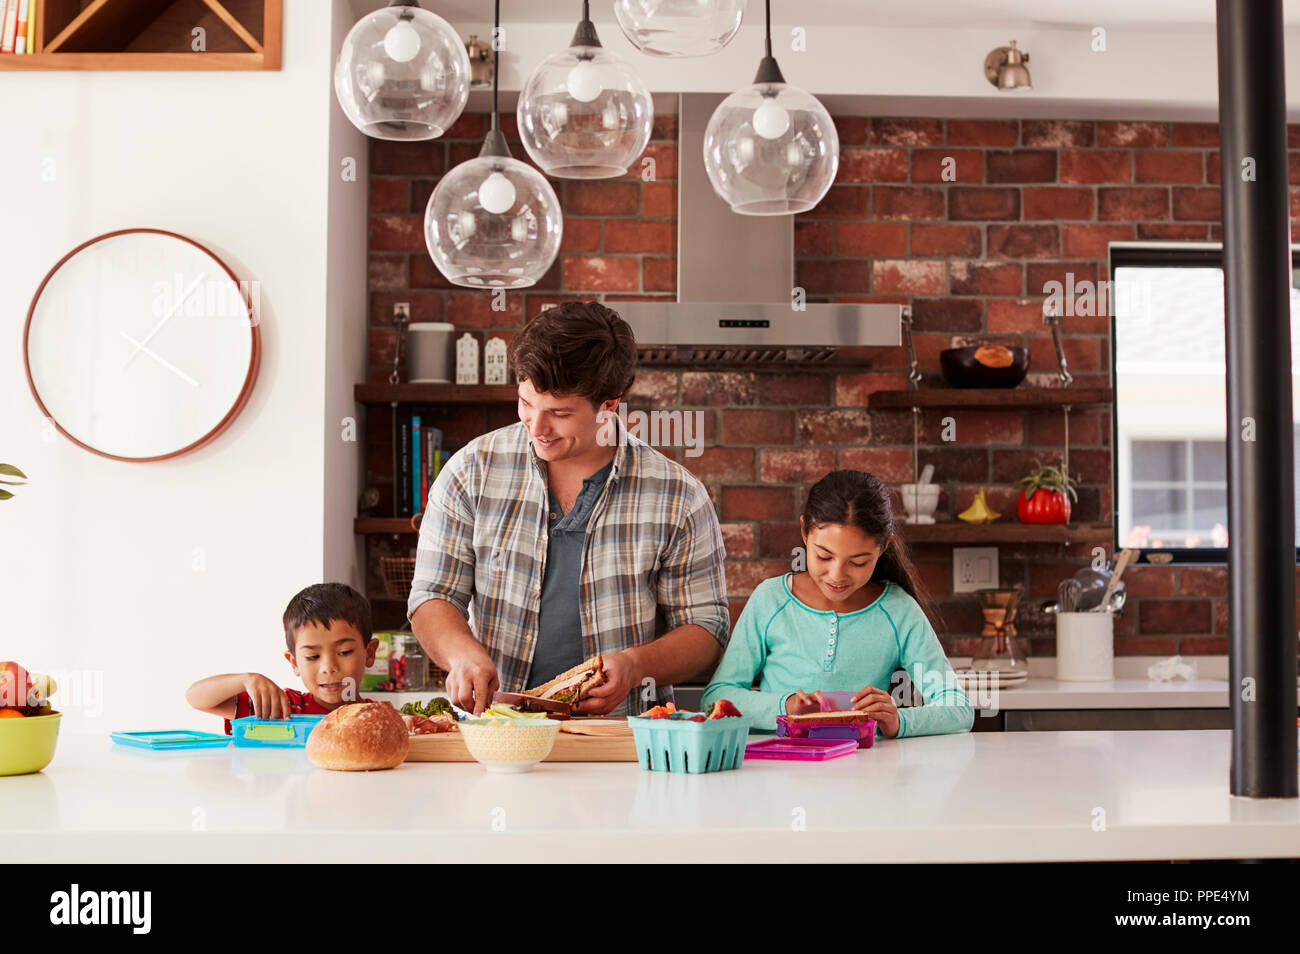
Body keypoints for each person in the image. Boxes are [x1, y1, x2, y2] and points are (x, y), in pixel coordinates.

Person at [408, 301, 729, 717]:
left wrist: (633, 667)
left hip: (624, 738)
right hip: (499, 733)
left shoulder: (677, 495)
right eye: (526, 403)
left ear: (609, 405)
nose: (537, 428)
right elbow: (433, 595)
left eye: (559, 413)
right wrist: (462, 654)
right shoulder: (472, 471)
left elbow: (706, 627)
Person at [703, 470, 974, 736]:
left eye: (858, 562)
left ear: (884, 546)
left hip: (866, 772)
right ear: (804, 532)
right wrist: (784, 706)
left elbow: (959, 709)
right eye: (823, 556)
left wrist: (899, 721)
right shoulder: (770, 601)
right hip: (781, 773)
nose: (837, 575)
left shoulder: (898, 610)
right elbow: (715, 699)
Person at [186, 583, 379, 734]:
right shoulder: (282, 709)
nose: (328, 667)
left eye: (344, 652)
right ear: (294, 663)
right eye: (313, 656)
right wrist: (247, 679)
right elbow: (196, 698)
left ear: (369, 653)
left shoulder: (380, 718)